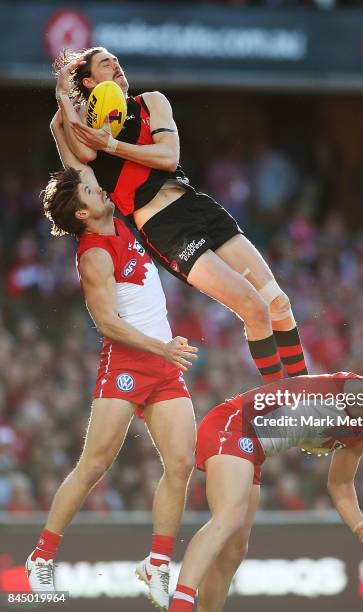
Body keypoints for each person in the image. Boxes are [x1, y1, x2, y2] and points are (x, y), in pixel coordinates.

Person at [51, 47, 308, 385]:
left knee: (278, 303)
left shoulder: (151, 102)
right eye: (104, 62)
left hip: (197, 205)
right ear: (88, 81)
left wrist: (111, 145)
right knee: (254, 308)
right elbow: (71, 143)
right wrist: (63, 95)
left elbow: (168, 157)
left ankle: (308, 394)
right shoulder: (86, 134)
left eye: (115, 59)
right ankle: (281, 401)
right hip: (165, 228)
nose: (115, 64)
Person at [25, 111, 198, 611]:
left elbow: (73, 170)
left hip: (163, 362)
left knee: (182, 463)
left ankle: (157, 564)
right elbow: (107, 324)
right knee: (95, 464)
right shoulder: (95, 252)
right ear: (82, 215)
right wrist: (162, 348)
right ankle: (41, 557)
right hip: (130, 358)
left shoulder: (108, 213)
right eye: (90, 194)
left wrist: (62, 111)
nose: (98, 188)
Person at [167, 372, 363, 612]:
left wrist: (361, 529)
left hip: (252, 448)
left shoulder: (357, 436)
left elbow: (340, 484)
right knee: (228, 518)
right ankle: (179, 605)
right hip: (233, 425)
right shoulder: (362, 397)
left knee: (235, 550)